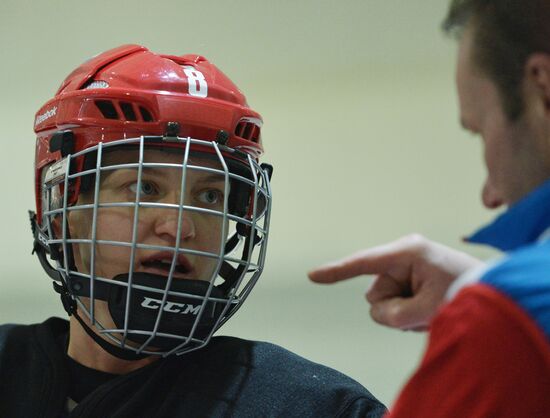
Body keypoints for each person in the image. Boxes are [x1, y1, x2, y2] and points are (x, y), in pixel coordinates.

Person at [0, 45, 386, 418]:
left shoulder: (317, 409)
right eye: (143, 188)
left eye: (210, 196)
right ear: (61, 212)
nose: (179, 225)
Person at [309, 1, 550, 417]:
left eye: (479, 130)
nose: (489, 196)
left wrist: (493, 305)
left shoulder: (510, 312)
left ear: (543, 88)